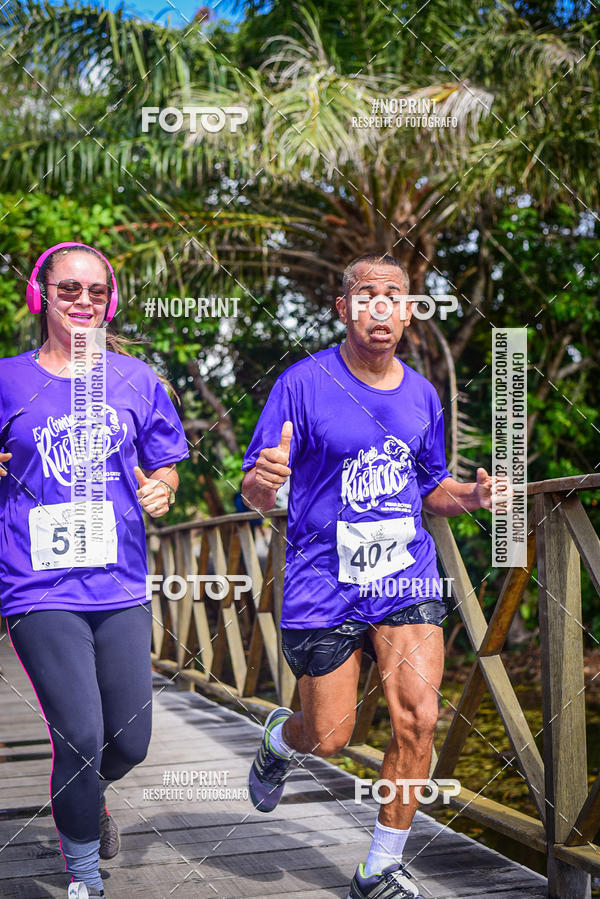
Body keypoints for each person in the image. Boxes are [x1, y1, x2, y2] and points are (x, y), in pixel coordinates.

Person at [241, 253, 502, 899]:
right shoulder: (301, 383)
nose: (380, 305)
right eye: (366, 294)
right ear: (343, 308)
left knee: (417, 718)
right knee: (327, 736)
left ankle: (379, 865)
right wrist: (262, 482)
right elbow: (255, 485)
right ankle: (282, 736)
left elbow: (428, 485)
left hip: (404, 577)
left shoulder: (421, 393)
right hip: (323, 580)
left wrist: (467, 497)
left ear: (409, 312)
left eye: (394, 294)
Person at [0, 242, 189, 898]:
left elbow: (165, 462)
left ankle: (88, 796)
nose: (84, 301)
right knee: (79, 733)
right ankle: (83, 873)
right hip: (37, 584)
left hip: (119, 584)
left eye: (96, 291)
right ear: (40, 295)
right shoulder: (7, 379)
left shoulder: (137, 380)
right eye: (69, 289)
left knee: (129, 741)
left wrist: (162, 487)